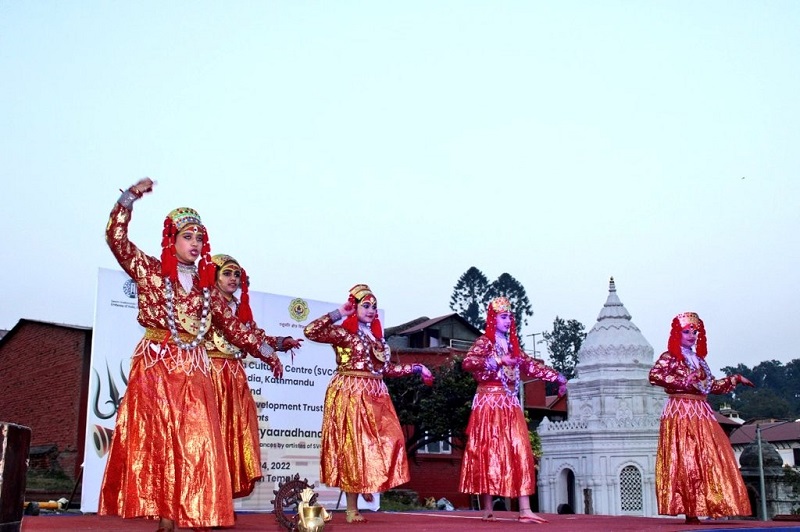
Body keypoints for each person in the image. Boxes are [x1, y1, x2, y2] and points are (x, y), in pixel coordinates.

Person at [99, 178, 287, 532]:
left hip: (195, 369)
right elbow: (117, 240)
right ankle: (165, 520)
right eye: (188, 236)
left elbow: (235, 329)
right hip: (157, 367)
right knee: (158, 444)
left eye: (200, 238)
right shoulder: (151, 272)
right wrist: (129, 197)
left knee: (198, 442)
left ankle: (189, 512)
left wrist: (266, 351)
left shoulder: (206, 290)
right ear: (172, 239)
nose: (196, 243)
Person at [303, 284, 434, 524]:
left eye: (374, 306)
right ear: (355, 307)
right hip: (351, 393)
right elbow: (310, 331)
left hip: (376, 395)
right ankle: (352, 508)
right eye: (366, 305)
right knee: (355, 448)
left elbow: (387, 370)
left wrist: (416, 367)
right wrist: (338, 313)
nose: (371, 310)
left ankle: (369, 482)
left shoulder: (378, 340)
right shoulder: (345, 334)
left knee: (391, 439)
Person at [459, 296, 567, 524]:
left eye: (510, 317)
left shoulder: (512, 346)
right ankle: (488, 508)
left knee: (520, 448)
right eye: (503, 317)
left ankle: (525, 508)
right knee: (488, 451)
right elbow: (468, 363)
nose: (508, 321)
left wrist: (557, 377)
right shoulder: (484, 343)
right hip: (488, 403)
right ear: (493, 319)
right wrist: (497, 361)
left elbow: (531, 365)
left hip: (509, 404)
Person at [207, 254, 302, 500]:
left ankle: (220, 499)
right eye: (227, 273)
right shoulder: (207, 302)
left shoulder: (239, 308)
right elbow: (245, 338)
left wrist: (282, 343)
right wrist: (271, 355)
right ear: (214, 275)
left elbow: (255, 337)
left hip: (233, 375)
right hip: (209, 373)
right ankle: (204, 498)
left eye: (237, 274)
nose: (233, 279)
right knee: (208, 436)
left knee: (233, 436)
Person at [649, 312, 754, 524]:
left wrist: (734, 379)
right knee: (687, 459)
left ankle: (712, 503)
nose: (692, 335)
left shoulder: (699, 360)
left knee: (711, 457)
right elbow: (655, 376)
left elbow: (710, 386)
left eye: (695, 332)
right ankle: (690, 510)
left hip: (701, 411)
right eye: (687, 331)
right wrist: (686, 379)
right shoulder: (670, 357)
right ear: (678, 334)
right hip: (680, 411)